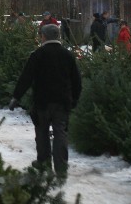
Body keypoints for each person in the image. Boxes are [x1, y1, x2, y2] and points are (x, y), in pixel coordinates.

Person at [9, 24, 82, 178]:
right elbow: (76, 80)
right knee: (60, 132)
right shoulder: (67, 55)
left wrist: (16, 96)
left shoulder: (37, 54)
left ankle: (44, 164)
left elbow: (26, 77)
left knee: (41, 132)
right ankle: (61, 167)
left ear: (44, 36)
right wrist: (75, 98)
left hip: (42, 101)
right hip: (62, 101)